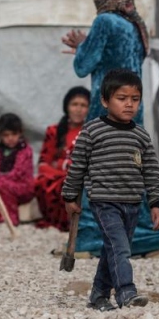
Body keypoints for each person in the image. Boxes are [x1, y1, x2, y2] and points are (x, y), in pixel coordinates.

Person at [61, 0, 159, 256]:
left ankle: (90, 239)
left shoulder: (105, 21)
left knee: (96, 174)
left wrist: (81, 47)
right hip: (132, 115)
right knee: (131, 175)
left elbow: (83, 65)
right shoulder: (134, 26)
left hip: (103, 112)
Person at [62, 69, 159, 310]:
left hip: (132, 203)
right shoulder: (92, 131)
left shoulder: (140, 135)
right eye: (122, 98)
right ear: (105, 101)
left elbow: (151, 170)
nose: (129, 104)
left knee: (112, 250)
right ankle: (126, 292)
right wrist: (70, 196)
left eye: (134, 99)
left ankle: (98, 296)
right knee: (120, 247)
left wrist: (155, 202)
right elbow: (78, 167)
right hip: (104, 202)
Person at [35, 86, 91, 230]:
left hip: (80, 177)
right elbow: (44, 162)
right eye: (74, 104)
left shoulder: (90, 131)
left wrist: (62, 166)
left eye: (83, 105)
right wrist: (62, 171)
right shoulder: (54, 131)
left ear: (89, 109)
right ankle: (57, 221)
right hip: (57, 177)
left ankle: (75, 223)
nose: (78, 109)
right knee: (41, 182)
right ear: (67, 107)